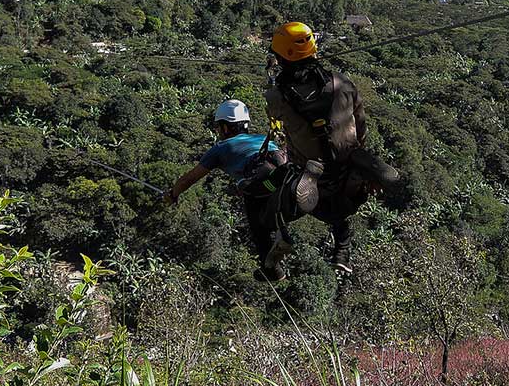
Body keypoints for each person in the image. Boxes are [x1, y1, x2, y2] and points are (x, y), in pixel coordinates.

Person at [265, 21, 394, 276]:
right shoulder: (343, 84)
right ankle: (342, 251)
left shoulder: (277, 96)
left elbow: (275, 117)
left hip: (312, 184)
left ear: (281, 57)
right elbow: (361, 124)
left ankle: (281, 234)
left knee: (273, 193)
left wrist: (272, 78)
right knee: (340, 211)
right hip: (349, 180)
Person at [166, 99, 291, 282]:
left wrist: (172, 194)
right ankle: (282, 231)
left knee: (253, 208)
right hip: (283, 172)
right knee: (272, 197)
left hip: (259, 178)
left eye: (219, 127)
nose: (218, 131)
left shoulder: (220, 148)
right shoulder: (262, 139)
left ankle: (271, 268)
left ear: (226, 128)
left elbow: (189, 178)